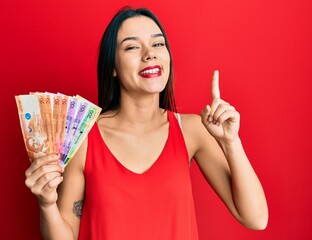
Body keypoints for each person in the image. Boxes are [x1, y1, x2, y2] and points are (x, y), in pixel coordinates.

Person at [24, 7, 268, 240]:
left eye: (158, 44)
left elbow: (255, 219)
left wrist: (231, 142)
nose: (150, 53)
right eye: (132, 46)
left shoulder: (191, 131)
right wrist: (47, 204)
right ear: (112, 68)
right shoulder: (85, 138)